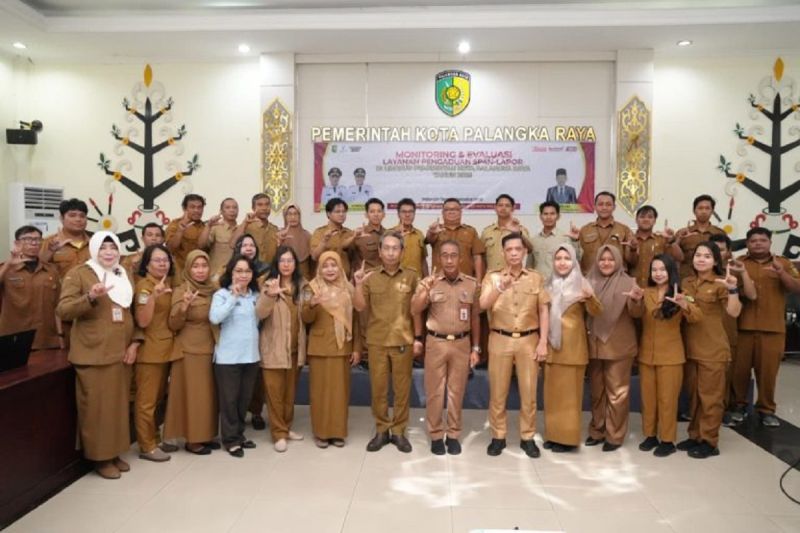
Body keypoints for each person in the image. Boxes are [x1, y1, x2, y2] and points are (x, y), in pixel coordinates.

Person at [56, 231, 137, 479]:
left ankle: (114, 452)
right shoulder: (80, 273)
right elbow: (63, 310)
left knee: (117, 408)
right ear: (93, 250)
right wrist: (90, 296)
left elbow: (130, 311)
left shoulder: (122, 272)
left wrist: (134, 343)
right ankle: (100, 458)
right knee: (97, 410)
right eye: (103, 248)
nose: (109, 252)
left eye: (113, 247)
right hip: (94, 353)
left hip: (120, 353)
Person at [480, 233, 549, 458]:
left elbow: (543, 310)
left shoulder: (535, 277)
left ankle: (527, 437)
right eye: (509, 250)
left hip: (529, 340)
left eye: (517, 249)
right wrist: (500, 287)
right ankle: (498, 436)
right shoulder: (492, 277)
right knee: (498, 392)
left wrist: (543, 342)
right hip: (500, 339)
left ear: (524, 252)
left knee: (529, 393)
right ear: (503, 253)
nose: (513, 253)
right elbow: (482, 304)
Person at [353, 231, 423, 453]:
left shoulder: (412, 276)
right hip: (377, 341)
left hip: (403, 341)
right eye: (387, 248)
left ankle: (399, 431)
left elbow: (417, 311)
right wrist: (357, 284)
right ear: (380, 251)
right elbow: (359, 306)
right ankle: (382, 430)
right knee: (379, 390)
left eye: (395, 248)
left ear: (402, 252)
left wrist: (418, 338)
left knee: (402, 390)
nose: (391, 252)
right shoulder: (370, 277)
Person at [411, 240, 480, 455]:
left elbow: (475, 318)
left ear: (460, 258)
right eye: (445, 255)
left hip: (461, 343)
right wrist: (425, 290)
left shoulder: (471, 284)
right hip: (436, 343)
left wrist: (476, 347)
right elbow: (414, 310)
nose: (449, 260)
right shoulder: (429, 282)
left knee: (456, 392)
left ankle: (453, 434)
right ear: (439, 258)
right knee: (435, 392)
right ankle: (435, 435)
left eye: (453, 255)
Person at [629, 254, 701, 457]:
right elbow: (635, 315)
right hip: (647, 355)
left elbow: (697, 317)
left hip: (671, 356)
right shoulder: (645, 292)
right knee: (648, 400)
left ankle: (667, 440)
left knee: (667, 400)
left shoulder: (682, 293)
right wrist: (635, 301)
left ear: (671, 271)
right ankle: (650, 435)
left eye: (662, 269)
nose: (658, 273)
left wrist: (685, 305)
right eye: (654, 270)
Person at [730, 228, 800, 427]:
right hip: (743, 327)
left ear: (770, 242)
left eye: (762, 240)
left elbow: (797, 288)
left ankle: (766, 410)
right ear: (747, 243)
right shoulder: (738, 263)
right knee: (739, 372)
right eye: (753, 241)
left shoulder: (783, 263)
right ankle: (739, 407)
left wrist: (781, 273)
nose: (758, 243)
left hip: (772, 329)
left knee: (768, 374)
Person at [678, 241, 741, 458]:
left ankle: (709, 441)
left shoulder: (722, 283)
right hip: (690, 349)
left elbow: (734, 311)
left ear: (715, 261)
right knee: (695, 396)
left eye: (707, 256)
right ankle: (695, 435)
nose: (701, 259)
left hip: (713, 350)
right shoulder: (686, 282)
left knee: (711, 398)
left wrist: (733, 289)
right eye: (698, 255)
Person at [544, 243, 602, 453]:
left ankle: (567, 440)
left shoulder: (581, 283)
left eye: (567, 258)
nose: (562, 263)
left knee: (569, 398)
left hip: (572, 349)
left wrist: (590, 298)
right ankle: (553, 435)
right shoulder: (548, 284)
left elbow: (596, 311)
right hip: (552, 348)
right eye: (558, 258)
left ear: (574, 261)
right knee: (552, 396)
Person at [302, 251, 362, 448]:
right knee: (319, 393)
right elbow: (305, 319)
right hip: (319, 348)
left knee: (339, 393)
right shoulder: (311, 287)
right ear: (319, 269)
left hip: (342, 347)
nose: (330, 269)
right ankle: (321, 433)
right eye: (325, 266)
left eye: (334, 265)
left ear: (340, 267)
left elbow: (356, 321)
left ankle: (337, 432)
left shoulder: (349, 289)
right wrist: (312, 305)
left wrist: (356, 348)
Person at [164, 250, 219, 455]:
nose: (200, 270)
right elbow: (173, 324)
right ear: (188, 268)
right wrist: (184, 308)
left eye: (204, 266)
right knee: (195, 396)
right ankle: (193, 439)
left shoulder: (213, 289)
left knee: (208, 396)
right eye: (195, 266)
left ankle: (205, 434)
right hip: (190, 350)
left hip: (211, 347)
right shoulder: (182, 290)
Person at [585, 245, 639, 452]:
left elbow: (637, 314)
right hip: (594, 344)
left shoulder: (629, 282)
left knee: (617, 394)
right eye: (602, 259)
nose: (606, 263)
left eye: (610, 259)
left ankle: (614, 435)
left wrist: (636, 300)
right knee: (596, 392)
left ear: (618, 261)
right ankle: (597, 430)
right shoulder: (588, 280)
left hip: (619, 347)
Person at [257, 246, 308, 452]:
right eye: (282, 260)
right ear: (276, 263)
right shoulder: (267, 284)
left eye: (290, 260)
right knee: (275, 394)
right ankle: (278, 433)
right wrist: (270, 295)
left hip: (295, 350)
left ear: (295, 264)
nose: (286, 264)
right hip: (273, 349)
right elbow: (260, 313)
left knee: (289, 394)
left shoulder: (303, 285)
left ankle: (286, 428)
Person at [209, 255, 261, 458]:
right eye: (238, 271)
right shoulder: (222, 294)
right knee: (229, 401)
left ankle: (239, 434)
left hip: (251, 356)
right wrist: (233, 297)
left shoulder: (255, 295)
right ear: (230, 273)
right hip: (228, 358)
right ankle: (230, 440)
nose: (243, 275)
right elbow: (215, 318)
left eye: (247, 271)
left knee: (243, 400)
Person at [133, 244, 177, 462]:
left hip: (166, 350)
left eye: (165, 260)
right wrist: (153, 297)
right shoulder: (145, 286)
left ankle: (156, 439)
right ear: (147, 264)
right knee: (146, 402)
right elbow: (142, 321)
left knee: (159, 400)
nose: (162, 264)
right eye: (157, 260)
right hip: (150, 352)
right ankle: (146, 445)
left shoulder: (168, 283)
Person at [709, 233, 756, 425]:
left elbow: (752, 295)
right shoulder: (696, 274)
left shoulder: (734, 273)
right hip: (702, 335)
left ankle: (723, 411)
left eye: (720, 250)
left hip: (727, 332)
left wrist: (743, 273)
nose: (715, 253)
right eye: (712, 250)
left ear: (728, 252)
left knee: (726, 375)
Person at [0, 226, 62, 350]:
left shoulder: (51, 270)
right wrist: (8, 265)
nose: (34, 243)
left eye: (38, 239)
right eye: (28, 239)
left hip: (46, 338)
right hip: (14, 338)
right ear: (17, 243)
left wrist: (60, 336)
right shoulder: (6, 269)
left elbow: (58, 305)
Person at [426, 198, 485, 281]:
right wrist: (432, 232)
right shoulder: (436, 230)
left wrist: (478, 281)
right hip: (439, 281)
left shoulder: (471, 231)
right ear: (442, 213)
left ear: (461, 212)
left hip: (465, 281)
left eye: (455, 209)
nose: (451, 212)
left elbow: (477, 257)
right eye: (447, 210)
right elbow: (429, 239)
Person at [577, 192, 634, 274]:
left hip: (616, 278)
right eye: (600, 204)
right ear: (595, 206)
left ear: (614, 207)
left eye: (608, 204)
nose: (604, 207)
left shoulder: (624, 230)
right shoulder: (585, 230)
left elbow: (632, 262)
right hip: (590, 278)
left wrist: (633, 249)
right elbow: (577, 258)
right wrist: (574, 241)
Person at [629, 205, 683, 289]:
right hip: (633, 287)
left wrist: (671, 241)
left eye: (650, 217)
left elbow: (679, 258)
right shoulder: (629, 240)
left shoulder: (662, 239)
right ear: (636, 220)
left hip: (657, 289)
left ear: (654, 221)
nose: (646, 219)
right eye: (642, 217)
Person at [527, 201, 582, 279]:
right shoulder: (534, 240)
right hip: (538, 283)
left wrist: (575, 241)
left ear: (558, 216)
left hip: (558, 283)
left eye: (552, 214)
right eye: (545, 214)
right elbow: (529, 266)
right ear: (540, 216)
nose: (549, 217)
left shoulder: (565, 238)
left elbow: (577, 259)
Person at [675, 195, 726, 279]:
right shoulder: (683, 233)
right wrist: (678, 239)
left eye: (707, 208)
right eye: (700, 208)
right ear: (694, 211)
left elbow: (725, 260)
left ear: (712, 211)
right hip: (687, 279)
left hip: (712, 281)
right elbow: (674, 257)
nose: (704, 211)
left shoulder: (719, 233)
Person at [39, 198, 92, 279]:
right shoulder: (49, 242)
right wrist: (50, 251)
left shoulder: (95, 243)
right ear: (61, 218)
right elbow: (37, 269)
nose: (78, 219)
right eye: (72, 215)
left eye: (82, 216)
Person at [480, 194, 533, 272]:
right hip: (492, 276)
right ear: (495, 208)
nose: (503, 208)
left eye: (507, 206)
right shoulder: (487, 232)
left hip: (513, 276)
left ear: (513, 208)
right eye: (500, 205)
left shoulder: (520, 230)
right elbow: (481, 257)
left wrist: (518, 233)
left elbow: (530, 249)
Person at [310, 198, 356, 277]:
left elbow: (354, 260)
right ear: (328, 214)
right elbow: (314, 256)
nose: (341, 214)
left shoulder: (349, 233)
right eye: (337, 211)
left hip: (345, 279)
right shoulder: (319, 232)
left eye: (344, 211)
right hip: (325, 279)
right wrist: (324, 240)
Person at [231, 193, 279, 266]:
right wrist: (245, 223)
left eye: (267, 204)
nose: (264, 208)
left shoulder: (275, 229)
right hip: (250, 270)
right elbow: (233, 244)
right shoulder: (246, 226)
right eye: (260, 205)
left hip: (270, 271)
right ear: (253, 208)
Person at [165, 193, 206, 272]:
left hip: (200, 271)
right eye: (192, 207)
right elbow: (170, 248)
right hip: (180, 271)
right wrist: (180, 231)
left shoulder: (205, 227)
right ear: (184, 209)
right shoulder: (175, 224)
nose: (196, 210)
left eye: (199, 207)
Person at [198, 197, 239, 275]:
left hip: (235, 275)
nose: (232, 210)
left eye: (235, 207)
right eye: (228, 207)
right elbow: (201, 246)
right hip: (216, 274)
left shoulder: (241, 230)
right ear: (221, 211)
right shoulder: (215, 228)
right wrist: (208, 226)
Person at [391, 198, 428, 277]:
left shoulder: (419, 234)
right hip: (396, 280)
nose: (407, 215)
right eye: (404, 212)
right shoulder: (390, 234)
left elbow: (423, 260)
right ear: (398, 214)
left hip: (417, 281)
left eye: (410, 212)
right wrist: (396, 237)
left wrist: (427, 278)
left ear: (414, 214)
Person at [278, 204, 312, 280]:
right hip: (284, 277)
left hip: (304, 278)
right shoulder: (279, 235)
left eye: (295, 214)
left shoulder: (307, 236)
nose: (293, 217)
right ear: (285, 217)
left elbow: (312, 261)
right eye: (289, 214)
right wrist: (280, 241)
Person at [352, 198, 387, 269]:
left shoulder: (388, 234)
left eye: (379, 211)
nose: (376, 214)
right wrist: (353, 238)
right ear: (366, 215)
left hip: (384, 274)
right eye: (372, 211)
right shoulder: (358, 234)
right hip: (365, 275)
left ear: (383, 214)